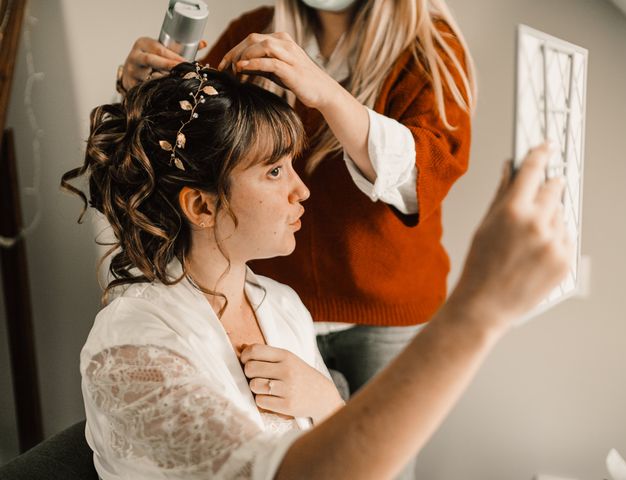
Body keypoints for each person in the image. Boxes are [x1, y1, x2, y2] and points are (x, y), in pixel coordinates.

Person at [63, 63, 571, 479]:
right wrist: (479, 309)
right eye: (275, 170)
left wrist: (329, 401)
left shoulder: (281, 305)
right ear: (201, 206)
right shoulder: (133, 344)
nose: (302, 191)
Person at [118, 1, 478, 433]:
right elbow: (186, 138)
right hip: (269, 304)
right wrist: (139, 90)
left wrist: (326, 93)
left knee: (377, 458)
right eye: (276, 170)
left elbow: (421, 177)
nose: (300, 190)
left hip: (385, 312)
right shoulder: (254, 34)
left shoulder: (428, 49)